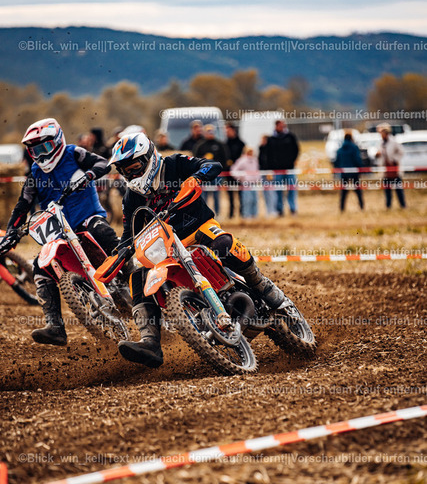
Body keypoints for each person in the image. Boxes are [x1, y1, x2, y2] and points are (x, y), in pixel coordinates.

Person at [106, 132, 286, 368]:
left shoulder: (173, 164)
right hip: (167, 245)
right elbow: (129, 232)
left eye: (135, 167)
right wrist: (119, 253)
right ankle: (150, 342)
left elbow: (213, 165)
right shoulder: (132, 196)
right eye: (125, 170)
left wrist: (196, 178)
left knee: (223, 244)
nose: (131, 174)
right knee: (138, 276)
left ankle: (261, 285)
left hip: (199, 228)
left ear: (149, 157)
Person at [0, 118, 120, 346]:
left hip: (87, 217)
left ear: (57, 141)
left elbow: (103, 163)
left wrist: (89, 175)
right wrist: (11, 234)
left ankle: (134, 278)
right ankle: (55, 326)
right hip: (60, 230)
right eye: (35, 150)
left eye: (45, 147)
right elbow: (22, 205)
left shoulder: (74, 154)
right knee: (40, 266)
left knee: (103, 234)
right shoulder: (35, 173)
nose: (41, 154)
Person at [194, 124, 229, 216]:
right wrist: (203, 158)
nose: (210, 133)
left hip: (216, 176)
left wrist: (221, 172)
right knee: (203, 196)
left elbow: (224, 159)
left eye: (212, 131)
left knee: (216, 196)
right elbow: (195, 160)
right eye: (208, 131)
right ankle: (204, 215)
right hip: (204, 176)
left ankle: (217, 215)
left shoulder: (220, 145)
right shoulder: (200, 145)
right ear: (204, 133)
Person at [266, 120, 300, 216]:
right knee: (278, 191)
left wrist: (292, 161)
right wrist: (271, 167)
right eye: (280, 126)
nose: (282, 127)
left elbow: (296, 149)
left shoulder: (290, 137)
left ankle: (293, 209)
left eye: (283, 126)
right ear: (276, 126)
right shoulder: (271, 139)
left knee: (292, 189)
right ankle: (280, 210)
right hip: (277, 170)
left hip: (289, 169)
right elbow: (268, 154)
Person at [375, 123, 406, 209]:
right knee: (387, 190)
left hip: (394, 169)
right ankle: (388, 206)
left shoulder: (394, 142)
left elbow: (401, 152)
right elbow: (380, 154)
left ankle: (403, 205)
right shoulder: (381, 143)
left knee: (398, 189)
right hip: (386, 169)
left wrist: (394, 160)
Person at [334, 131, 364, 211]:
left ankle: (342, 208)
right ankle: (361, 206)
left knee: (344, 191)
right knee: (358, 191)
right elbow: (357, 159)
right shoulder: (354, 148)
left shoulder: (340, 149)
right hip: (354, 172)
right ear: (351, 138)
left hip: (344, 173)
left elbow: (336, 162)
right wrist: (360, 168)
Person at [230, 147, 261, 219]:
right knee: (247, 200)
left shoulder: (255, 160)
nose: (251, 153)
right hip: (246, 183)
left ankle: (254, 216)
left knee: (255, 200)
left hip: (254, 183)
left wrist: (258, 178)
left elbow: (257, 170)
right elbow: (233, 171)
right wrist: (241, 177)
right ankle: (246, 216)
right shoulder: (241, 160)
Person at [225, 123, 245, 218]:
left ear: (233, 130)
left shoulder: (241, 143)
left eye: (228, 131)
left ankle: (242, 213)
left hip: (239, 173)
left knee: (241, 194)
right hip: (228, 174)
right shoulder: (225, 144)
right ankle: (231, 214)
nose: (227, 133)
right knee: (230, 195)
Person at [259, 134, 276, 217]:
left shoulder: (270, 150)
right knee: (266, 194)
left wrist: (270, 171)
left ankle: (272, 210)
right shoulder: (261, 149)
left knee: (271, 193)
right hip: (263, 173)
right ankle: (268, 211)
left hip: (269, 173)